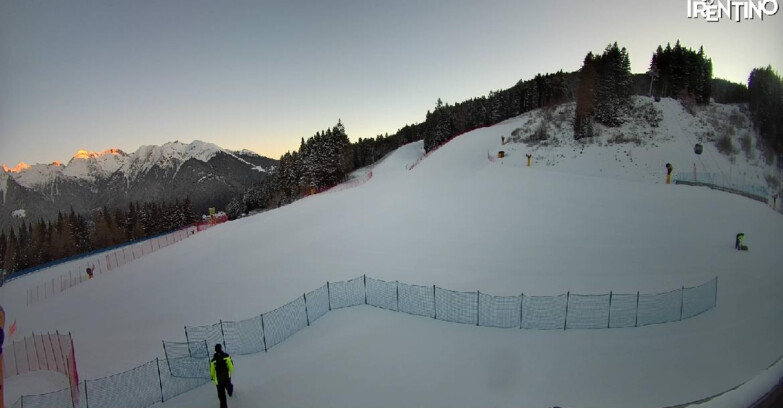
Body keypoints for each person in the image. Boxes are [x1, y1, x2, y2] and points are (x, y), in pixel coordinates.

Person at [210, 343, 234, 408]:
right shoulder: (226, 356)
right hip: (226, 377)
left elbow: (212, 371)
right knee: (229, 386)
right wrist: (230, 371)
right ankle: (230, 391)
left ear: (215, 350)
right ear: (221, 348)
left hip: (218, 381)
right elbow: (231, 366)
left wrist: (212, 377)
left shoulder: (213, 361)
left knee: (222, 397)